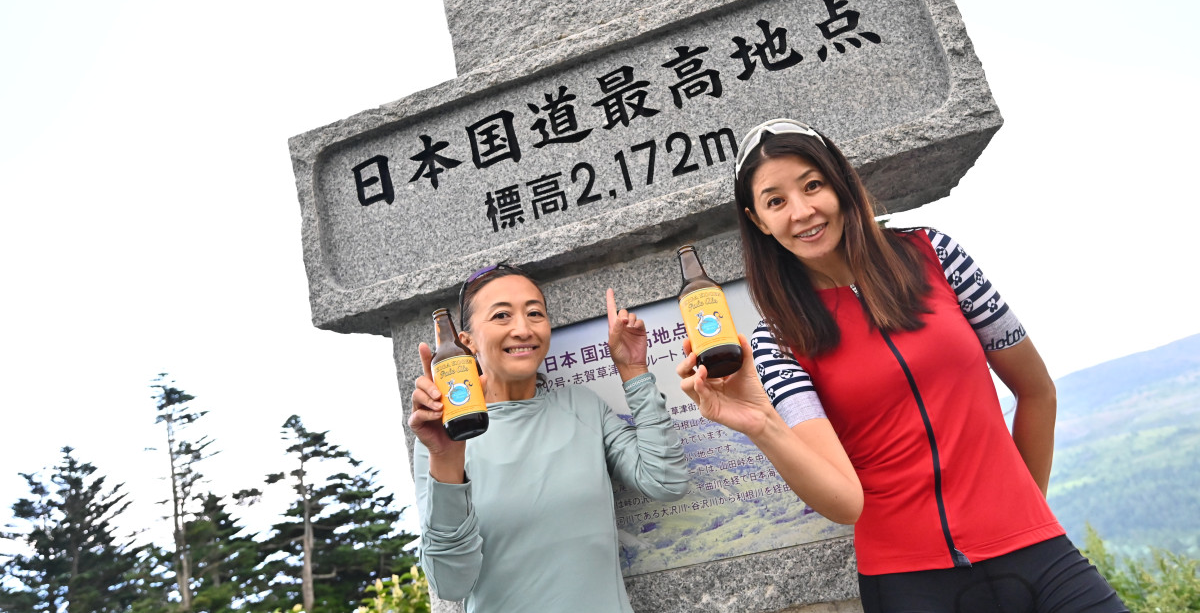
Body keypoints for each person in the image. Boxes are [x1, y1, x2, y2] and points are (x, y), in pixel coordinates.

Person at [676, 119, 1127, 613]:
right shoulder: (778, 338)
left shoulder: (937, 256)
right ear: (758, 220)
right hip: (910, 584)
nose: (802, 212)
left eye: (812, 185)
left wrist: (1023, 514)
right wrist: (761, 423)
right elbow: (844, 502)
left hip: (1039, 557)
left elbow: (1037, 391)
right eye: (776, 200)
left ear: (840, 182)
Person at [410, 263, 689, 613]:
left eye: (535, 313)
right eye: (501, 316)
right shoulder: (440, 443)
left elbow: (666, 480)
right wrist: (447, 458)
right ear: (466, 342)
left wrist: (633, 371)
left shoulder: (582, 406)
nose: (523, 329)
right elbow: (450, 583)